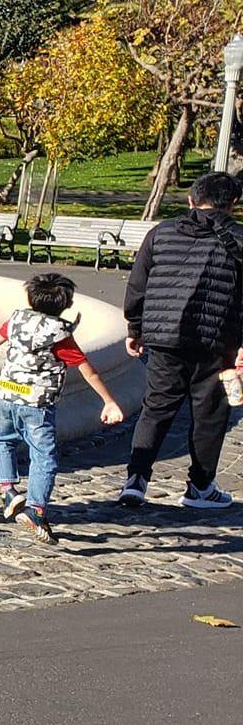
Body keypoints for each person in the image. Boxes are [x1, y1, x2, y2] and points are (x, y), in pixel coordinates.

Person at [0, 270, 125, 542]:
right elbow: (87, 371)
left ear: (30, 297)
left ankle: (9, 490)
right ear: (67, 304)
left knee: (3, 441)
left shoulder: (17, 321)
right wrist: (109, 401)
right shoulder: (59, 334)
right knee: (43, 456)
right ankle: (36, 509)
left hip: (7, 394)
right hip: (37, 402)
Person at [118, 171, 243, 510]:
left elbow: (138, 284)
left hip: (164, 337)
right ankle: (200, 487)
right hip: (218, 341)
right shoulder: (239, 238)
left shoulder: (161, 233)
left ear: (191, 199)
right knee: (210, 415)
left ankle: (135, 481)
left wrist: (135, 328)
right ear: (233, 204)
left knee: (156, 407)